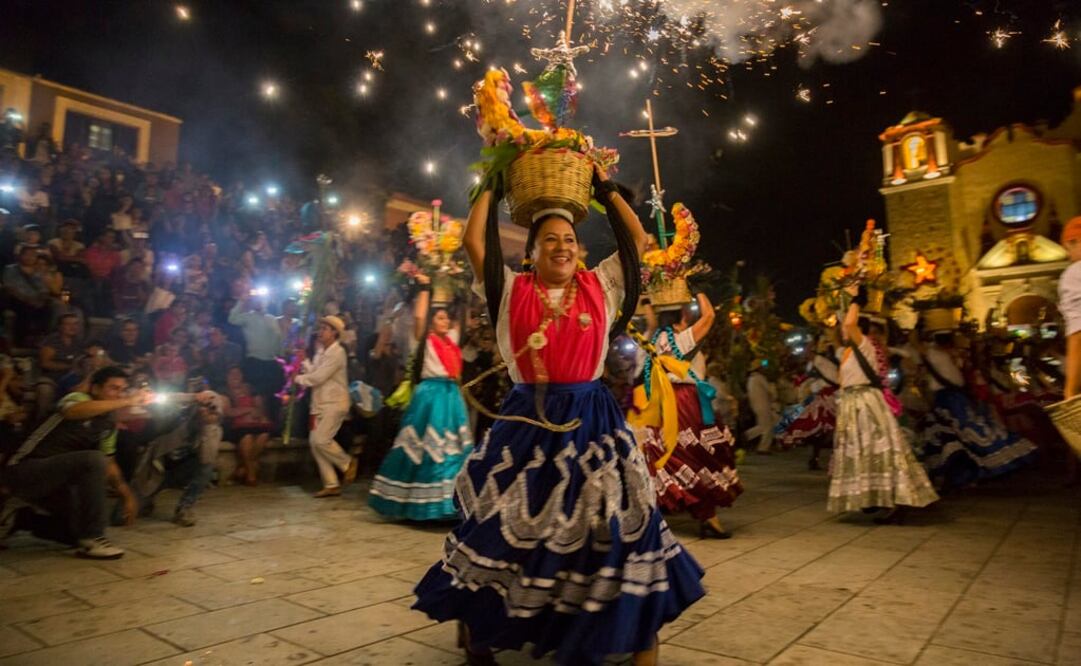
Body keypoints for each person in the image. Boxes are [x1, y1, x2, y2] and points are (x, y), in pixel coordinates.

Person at [413, 170, 704, 666]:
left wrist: (606, 189)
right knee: (499, 528)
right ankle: (479, 633)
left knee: (615, 524)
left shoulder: (600, 285)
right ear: (532, 251)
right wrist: (492, 181)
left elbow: (637, 239)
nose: (563, 247)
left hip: (594, 422)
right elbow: (471, 241)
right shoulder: (508, 290)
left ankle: (636, 637)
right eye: (550, 240)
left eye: (570, 239)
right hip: (526, 424)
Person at [2, 366, 151, 559]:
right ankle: (94, 538)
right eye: (113, 388)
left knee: (74, 533)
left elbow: (109, 462)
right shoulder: (79, 399)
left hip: (55, 480)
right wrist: (130, 400)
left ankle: (22, 518)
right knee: (92, 459)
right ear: (96, 389)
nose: (119, 394)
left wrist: (127, 496)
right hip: (22, 469)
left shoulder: (107, 424)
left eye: (123, 390)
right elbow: (72, 412)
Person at [634, 295, 743, 539]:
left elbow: (651, 322)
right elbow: (710, 316)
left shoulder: (657, 338)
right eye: (686, 308)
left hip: (664, 401)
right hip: (684, 401)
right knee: (699, 456)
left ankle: (660, 511)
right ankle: (707, 516)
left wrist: (649, 302)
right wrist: (700, 289)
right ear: (681, 315)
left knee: (669, 454)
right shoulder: (682, 339)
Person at [368, 275, 473, 520]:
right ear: (430, 322)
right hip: (430, 396)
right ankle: (422, 504)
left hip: (450, 397)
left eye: (446, 317)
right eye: (439, 317)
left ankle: (449, 504)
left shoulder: (451, 341)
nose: (445, 320)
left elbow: (464, 319)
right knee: (424, 447)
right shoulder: (425, 340)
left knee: (451, 449)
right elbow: (418, 317)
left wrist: (463, 284)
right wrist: (425, 286)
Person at [828, 294, 939, 522]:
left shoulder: (863, 343)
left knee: (879, 450)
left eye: (845, 328)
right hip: (854, 403)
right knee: (865, 452)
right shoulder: (848, 350)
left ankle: (896, 501)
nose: (842, 330)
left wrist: (856, 300)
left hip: (865, 402)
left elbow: (849, 323)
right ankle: (874, 497)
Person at [918, 331, 1038, 490]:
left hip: (955, 398)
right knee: (961, 435)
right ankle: (961, 474)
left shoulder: (945, 355)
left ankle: (969, 473)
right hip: (948, 399)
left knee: (966, 434)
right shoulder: (934, 354)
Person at [294, 315, 357, 497]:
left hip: (335, 402)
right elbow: (314, 372)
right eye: (320, 328)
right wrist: (304, 361)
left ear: (334, 332)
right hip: (320, 403)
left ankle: (347, 463)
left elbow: (318, 378)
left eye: (325, 329)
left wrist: (297, 379)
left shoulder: (338, 352)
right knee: (315, 443)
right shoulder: (321, 351)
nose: (320, 332)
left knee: (321, 440)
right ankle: (331, 483)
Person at [779, 333, 840, 470]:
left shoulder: (823, 362)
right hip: (824, 398)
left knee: (824, 429)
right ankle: (817, 457)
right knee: (819, 428)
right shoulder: (815, 363)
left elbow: (835, 379)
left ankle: (820, 457)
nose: (806, 351)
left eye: (809, 348)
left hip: (831, 397)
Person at [222, 366, 273, 485]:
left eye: (238, 373)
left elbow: (260, 409)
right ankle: (251, 474)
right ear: (227, 377)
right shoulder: (224, 392)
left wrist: (252, 412)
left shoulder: (250, 389)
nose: (235, 376)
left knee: (264, 435)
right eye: (232, 374)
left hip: (254, 423)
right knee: (247, 437)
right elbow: (229, 412)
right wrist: (249, 409)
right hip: (235, 425)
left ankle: (242, 468)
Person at [745, 359, 779, 454]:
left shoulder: (751, 379)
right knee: (768, 427)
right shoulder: (760, 378)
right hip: (763, 405)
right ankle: (763, 448)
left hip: (756, 405)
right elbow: (771, 392)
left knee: (763, 426)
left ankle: (748, 435)